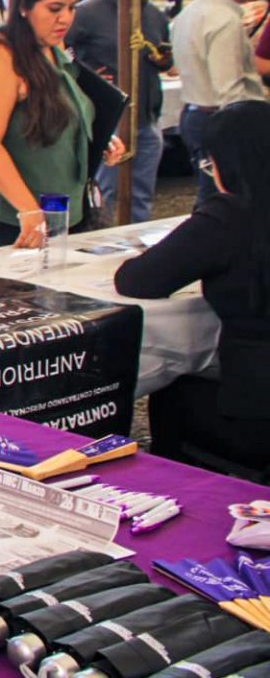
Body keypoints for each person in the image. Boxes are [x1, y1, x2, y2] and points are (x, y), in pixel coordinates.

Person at [114, 100, 270, 471]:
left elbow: (138, 280)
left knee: (171, 386)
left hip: (255, 414)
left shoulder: (228, 217)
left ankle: (180, 485)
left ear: (226, 163)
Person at [0, 0, 126, 249]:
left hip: (60, 204)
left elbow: (66, 106)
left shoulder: (51, 46)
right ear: (24, 6)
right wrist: (28, 209)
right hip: (10, 212)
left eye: (72, 8)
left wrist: (97, 137)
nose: (65, 18)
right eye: (54, 9)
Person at [66, 0, 174, 223]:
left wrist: (161, 59)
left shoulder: (153, 14)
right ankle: (100, 240)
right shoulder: (85, 13)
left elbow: (166, 58)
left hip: (146, 118)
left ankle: (137, 245)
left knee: (142, 195)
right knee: (104, 193)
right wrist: (86, 77)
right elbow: (58, 53)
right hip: (108, 120)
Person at [171, 0, 265, 207]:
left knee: (212, 195)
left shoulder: (188, 14)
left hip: (195, 113)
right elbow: (229, 87)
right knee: (226, 199)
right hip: (221, 117)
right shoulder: (223, 19)